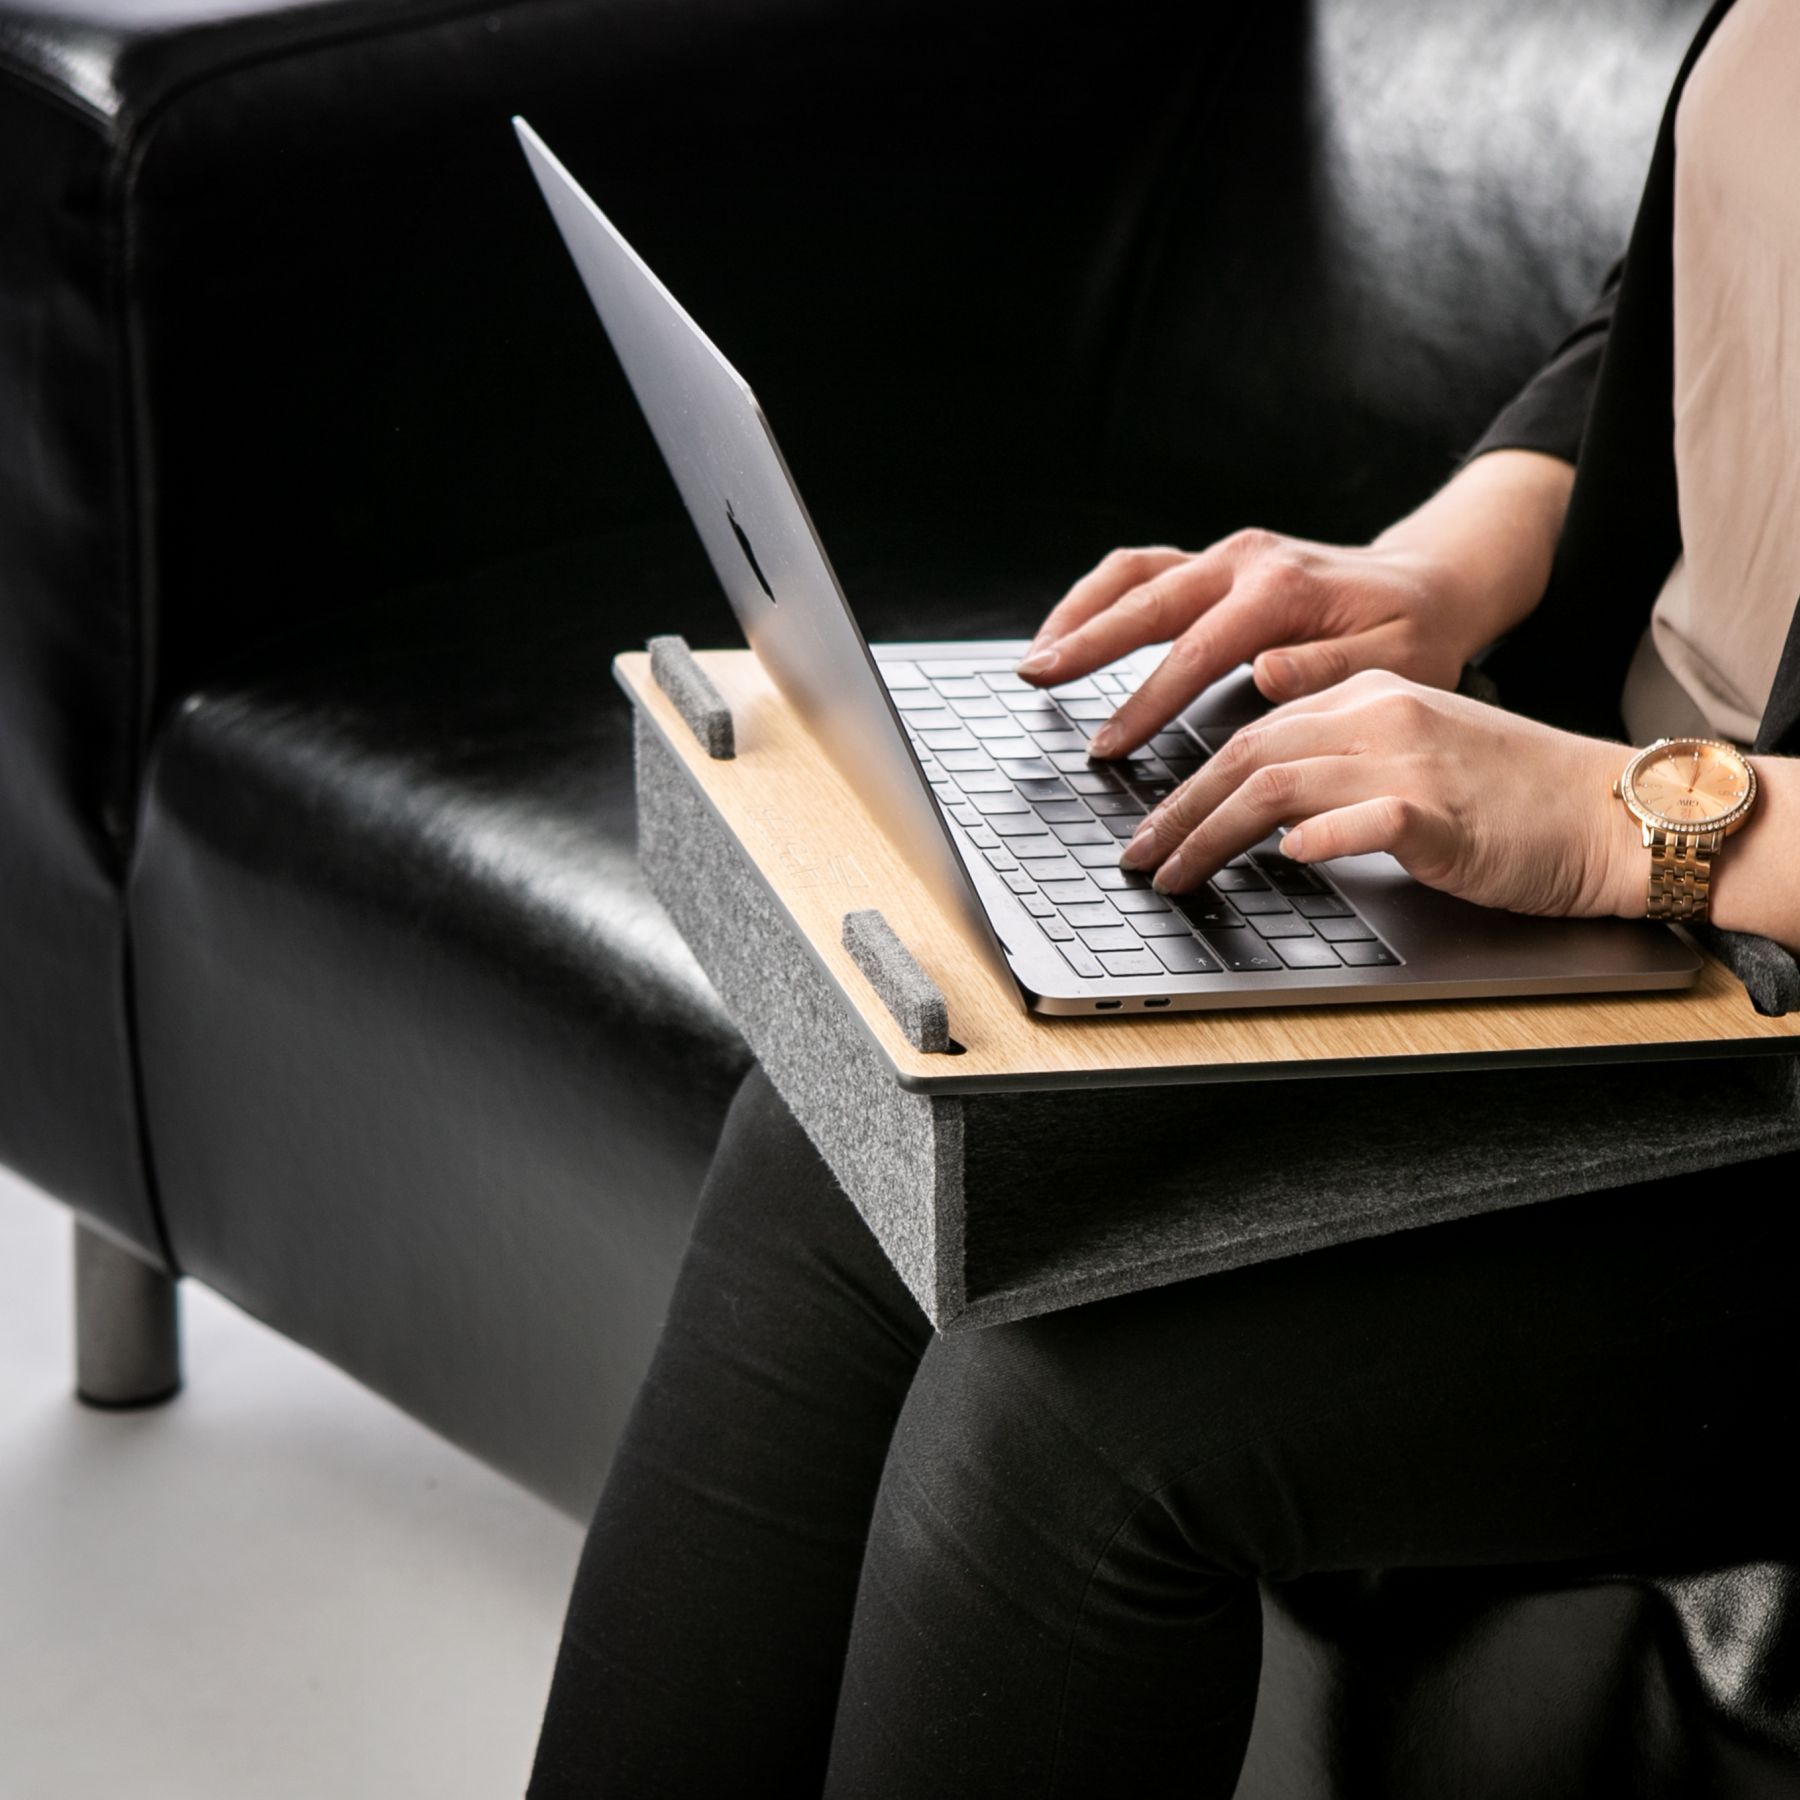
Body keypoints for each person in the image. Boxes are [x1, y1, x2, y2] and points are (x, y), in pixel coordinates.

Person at [529, 0, 1800, 1791]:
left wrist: (1631, 826)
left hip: (1749, 1012)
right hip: (1625, 918)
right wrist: (1424, 576)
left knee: (1054, 1433)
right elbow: (1677, 310)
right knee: (844, 1143)